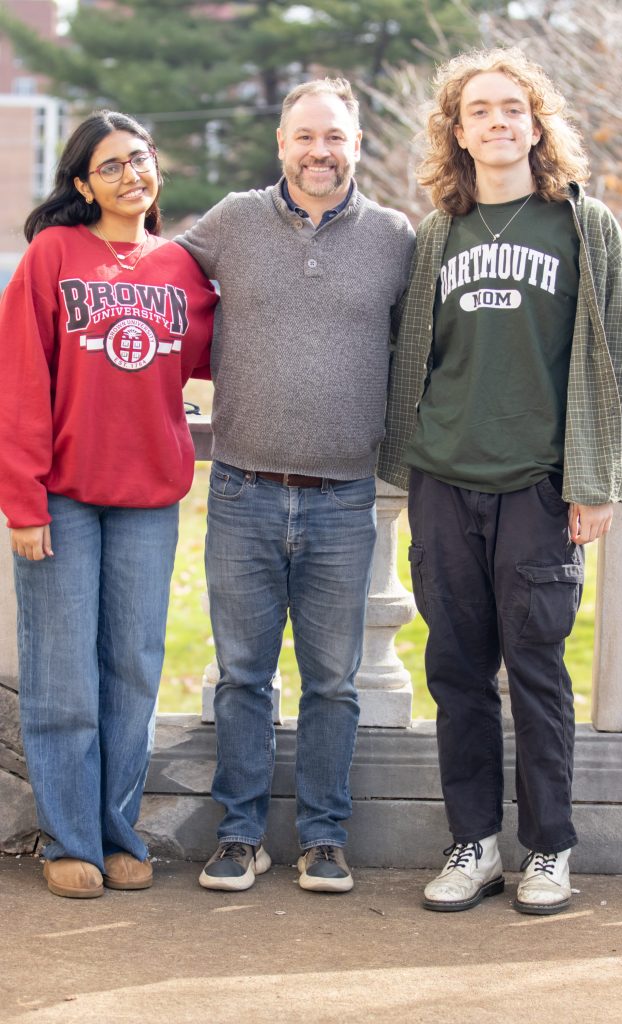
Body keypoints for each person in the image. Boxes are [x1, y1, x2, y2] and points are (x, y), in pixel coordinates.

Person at [377, 48, 622, 915]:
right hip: (443, 481)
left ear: (536, 127)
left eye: (512, 109)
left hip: (537, 484)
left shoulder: (582, 226)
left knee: (535, 671)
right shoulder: (436, 235)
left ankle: (548, 848)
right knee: (455, 671)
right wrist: (401, 463)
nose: (497, 122)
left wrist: (597, 479)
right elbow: (410, 358)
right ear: (456, 133)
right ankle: (473, 845)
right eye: (479, 111)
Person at [177, 78, 414, 894]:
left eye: (335, 137)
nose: (320, 151)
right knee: (242, 676)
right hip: (241, 488)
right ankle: (239, 834)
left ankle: (322, 837)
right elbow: (148, 273)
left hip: (344, 497)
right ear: (281, 143)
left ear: (357, 145)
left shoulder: (394, 237)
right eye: (305, 136)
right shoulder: (231, 222)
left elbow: (425, 344)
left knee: (332, 683)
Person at [0, 111, 217, 899]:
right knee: (62, 676)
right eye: (111, 165)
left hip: (148, 499)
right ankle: (70, 839)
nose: (132, 175)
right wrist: (23, 501)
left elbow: (220, 355)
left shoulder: (181, 267)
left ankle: (118, 832)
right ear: (83, 184)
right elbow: (20, 380)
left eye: (141, 158)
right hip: (61, 498)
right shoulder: (54, 254)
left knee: (133, 670)